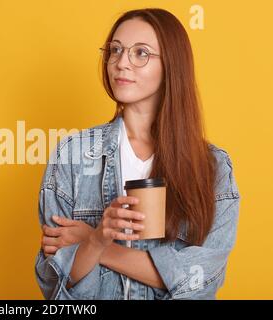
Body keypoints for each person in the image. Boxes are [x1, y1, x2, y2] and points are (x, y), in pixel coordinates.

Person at [34, 8, 241, 300]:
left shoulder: (214, 167)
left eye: (140, 53)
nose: (121, 63)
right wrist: (95, 240)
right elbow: (52, 281)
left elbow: (202, 279)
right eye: (115, 50)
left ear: (171, 65)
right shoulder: (72, 155)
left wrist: (103, 249)